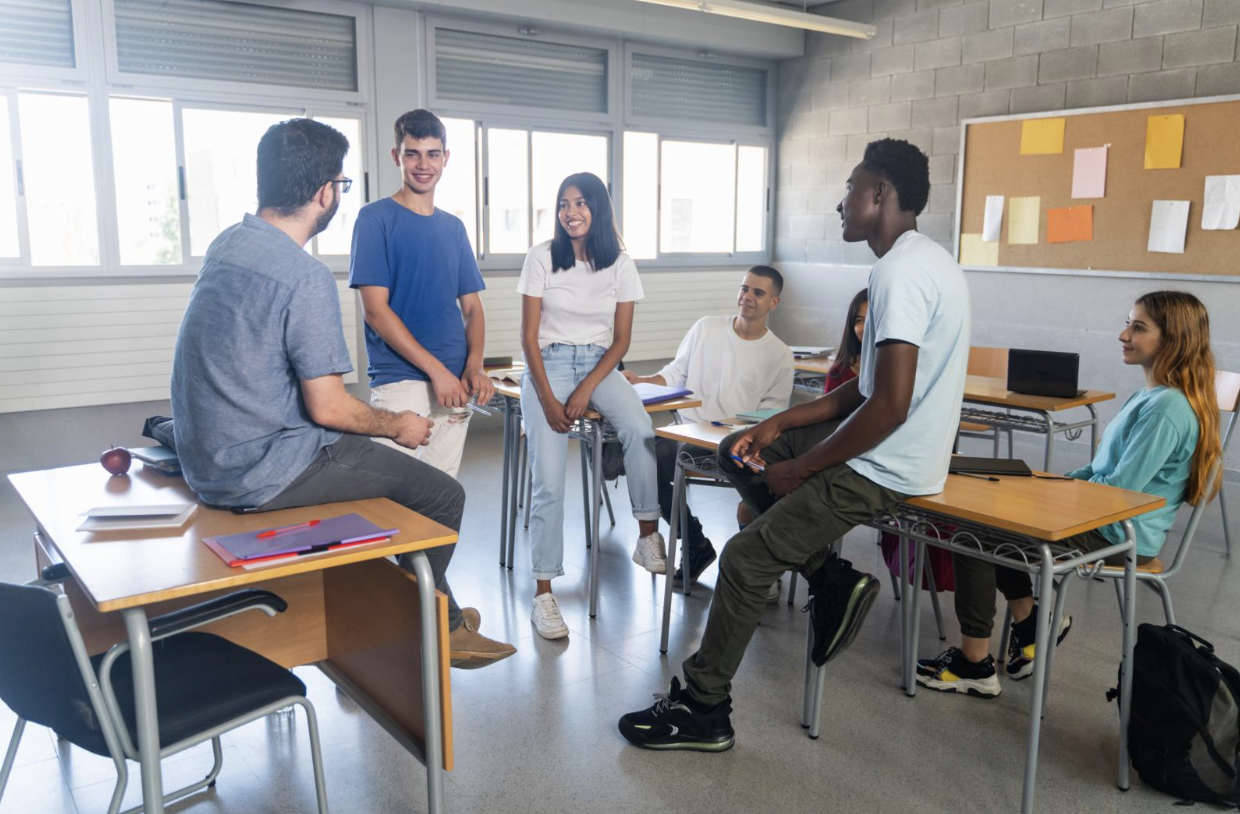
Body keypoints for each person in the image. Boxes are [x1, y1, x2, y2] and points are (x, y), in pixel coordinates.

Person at [618, 138, 970, 751]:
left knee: (745, 559)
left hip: (887, 466)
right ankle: (829, 577)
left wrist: (801, 469)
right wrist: (779, 426)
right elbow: (864, 389)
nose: (841, 204)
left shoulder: (901, 272)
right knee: (738, 450)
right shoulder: (924, 261)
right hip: (888, 446)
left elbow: (889, 407)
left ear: (880, 193)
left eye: (851, 190)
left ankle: (705, 709)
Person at [170, 118, 515, 670]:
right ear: (326, 192)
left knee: (405, 486)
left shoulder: (227, 244)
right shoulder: (303, 275)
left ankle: (423, 607)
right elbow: (328, 407)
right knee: (442, 496)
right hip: (265, 466)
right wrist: (397, 425)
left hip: (210, 456)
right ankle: (434, 626)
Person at [916, 290, 1219, 698]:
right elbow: (1098, 472)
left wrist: (1051, 499)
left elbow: (1120, 492)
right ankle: (1030, 630)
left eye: (1138, 327)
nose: (1122, 334)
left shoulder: (1166, 409)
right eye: (1128, 322)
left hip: (1119, 533)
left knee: (977, 535)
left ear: (1174, 339)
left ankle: (975, 664)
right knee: (994, 519)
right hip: (1108, 519)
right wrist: (1048, 485)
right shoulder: (1150, 396)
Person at [518, 171, 663, 641]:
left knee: (641, 429)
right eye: (563, 204)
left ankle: (647, 536)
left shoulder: (619, 263)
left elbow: (621, 342)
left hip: (601, 364)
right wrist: (547, 395)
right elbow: (528, 338)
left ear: (598, 208)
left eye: (580, 203)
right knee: (550, 482)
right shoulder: (542, 257)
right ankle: (544, 592)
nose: (571, 212)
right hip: (549, 363)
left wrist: (585, 390)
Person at [622, 266, 795, 592]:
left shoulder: (780, 355)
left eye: (758, 293)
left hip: (738, 443)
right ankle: (694, 541)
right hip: (689, 433)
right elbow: (675, 373)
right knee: (646, 458)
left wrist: (738, 434)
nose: (747, 297)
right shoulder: (707, 328)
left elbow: (771, 417)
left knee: (770, 477)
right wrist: (642, 380)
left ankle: (761, 565)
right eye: (744, 289)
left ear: (774, 302)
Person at [349, 109, 492, 478]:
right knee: (394, 505)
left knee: (442, 501)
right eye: (413, 153)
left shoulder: (454, 228)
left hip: (455, 385)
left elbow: (473, 309)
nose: (423, 164)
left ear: (446, 158)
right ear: (396, 156)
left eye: (432, 154)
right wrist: (436, 373)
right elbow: (376, 312)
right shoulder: (374, 219)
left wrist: (474, 365)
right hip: (402, 382)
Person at [825, 288, 868, 394]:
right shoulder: (839, 372)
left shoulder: (902, 369)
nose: (866, 328)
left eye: (872, 320)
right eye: (859, 320)